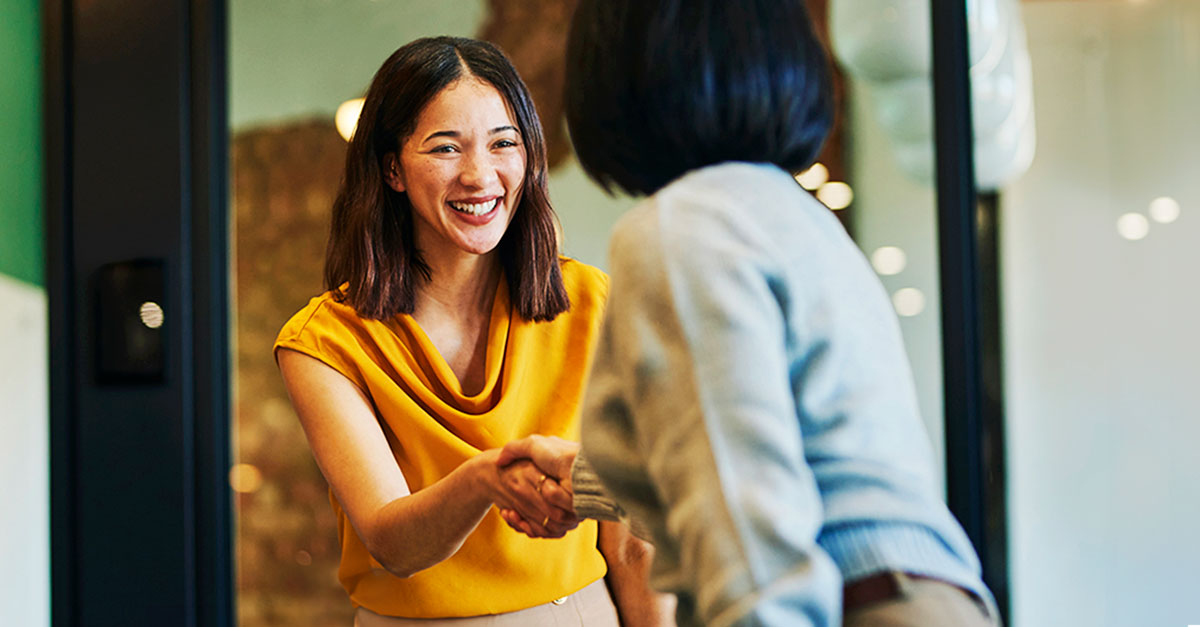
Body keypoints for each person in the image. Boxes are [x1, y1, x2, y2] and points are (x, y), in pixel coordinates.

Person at [496, 1, 1002, 626]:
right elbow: (792, 445)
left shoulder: (680, 230)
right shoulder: (794, 216)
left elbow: (746, 531)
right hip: (924, 596)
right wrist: (587, 482)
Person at [274, 36, 669, 626]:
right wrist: (489, 478)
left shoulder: (592, 302)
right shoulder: (323, 343)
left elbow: (634, 541)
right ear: (392, 169)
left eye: (503, 143)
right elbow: (393, 543)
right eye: (445, 149)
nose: (480, 175)